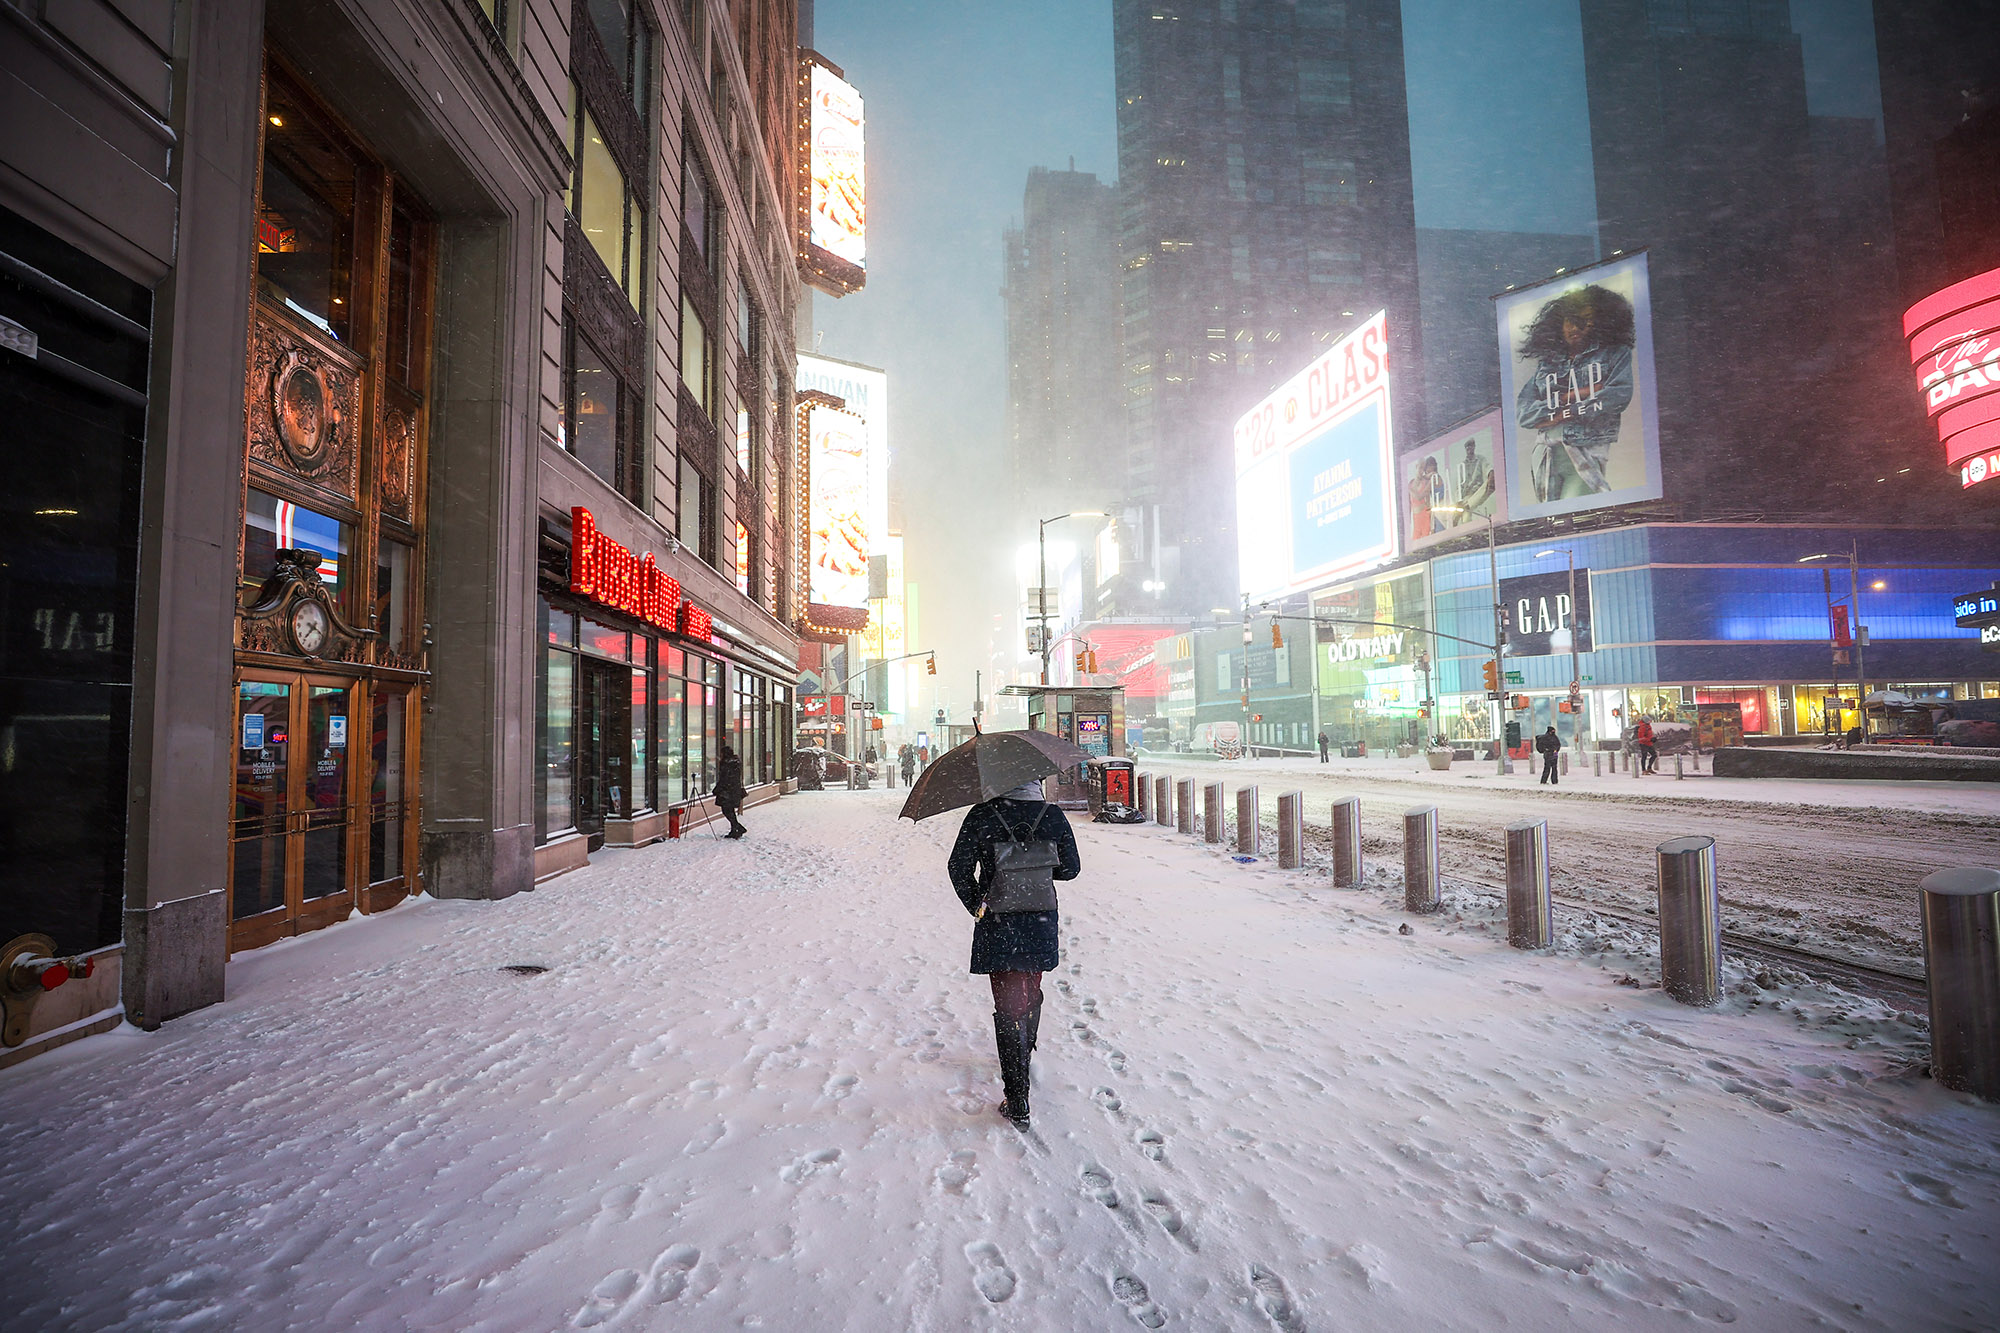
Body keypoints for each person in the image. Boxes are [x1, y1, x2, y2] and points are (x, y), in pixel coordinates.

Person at [947, 778, 1081, 1128]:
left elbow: (957, 867)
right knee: (1030, 988)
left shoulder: (981, 815)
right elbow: (1070, 869)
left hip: (999, 923)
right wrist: (1036, 862)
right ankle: (1026, 1043)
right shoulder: (1051, 815)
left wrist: (978, 903)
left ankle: (1017, 1096)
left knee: (1007, 1005)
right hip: (1038, 919)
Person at [1515, 284, 1637, 503]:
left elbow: (1618, 396)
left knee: (1576, 509)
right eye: (1569, 319)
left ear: (1600, 322)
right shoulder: (1548, 363)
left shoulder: (1614, 354)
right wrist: (1567, 399)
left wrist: (1563, 411)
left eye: (1585, 321)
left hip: (1584, 450)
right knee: (1552, 521)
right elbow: (1524, 414)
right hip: (1545, 453)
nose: (1574, 327)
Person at [714, 743, 747, 838]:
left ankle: (738, 827)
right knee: (730, 810)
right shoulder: (735, 762)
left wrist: (718, 788)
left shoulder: (726, 764)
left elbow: (724, 778)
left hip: (727, 791)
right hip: (734, 789)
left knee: (726, 810)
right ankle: (735, 829)